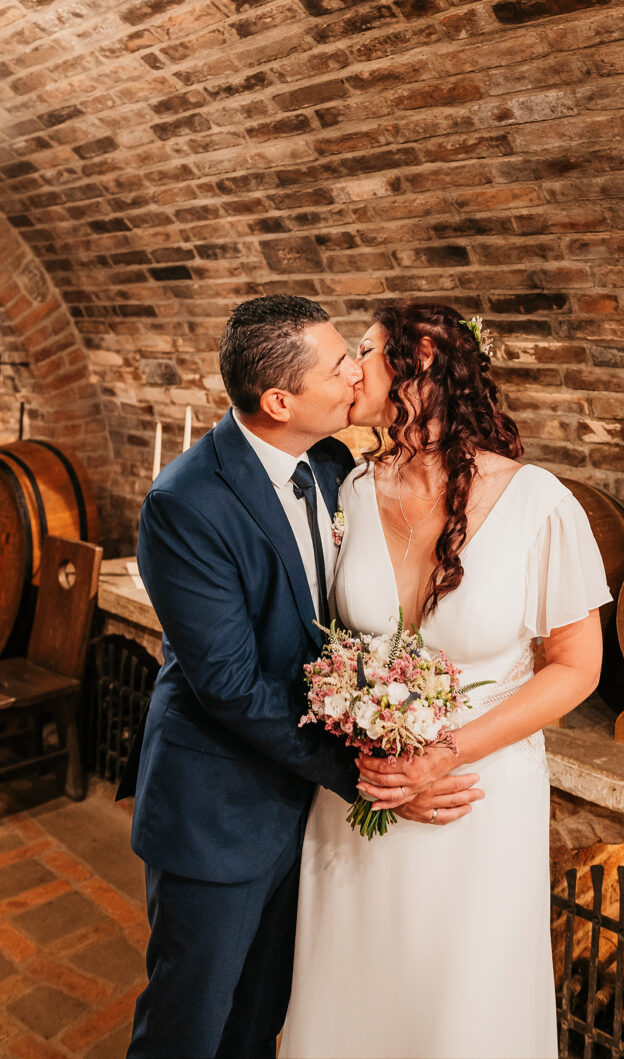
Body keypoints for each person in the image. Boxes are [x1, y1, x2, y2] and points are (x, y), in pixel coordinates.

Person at [121, 294, 482, 1059]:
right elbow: (229, 685)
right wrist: (366, 777)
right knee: (188, 1026)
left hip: (305, 811)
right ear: (279, 401)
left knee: (258, 1019)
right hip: (218, 808)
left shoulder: (331, 464)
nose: (356, 372)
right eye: (339, 363)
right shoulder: (186, 503)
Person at [280, 302, 612, 1059]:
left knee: (461, 1008)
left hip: (476, 800)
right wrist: (363, 748)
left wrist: (443, 754)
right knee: (355, 994)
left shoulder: (539, 503)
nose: (348, 369)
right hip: (366, 793)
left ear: (422, 356)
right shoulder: (347, 491)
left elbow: (577, 668)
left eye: (364, 350)